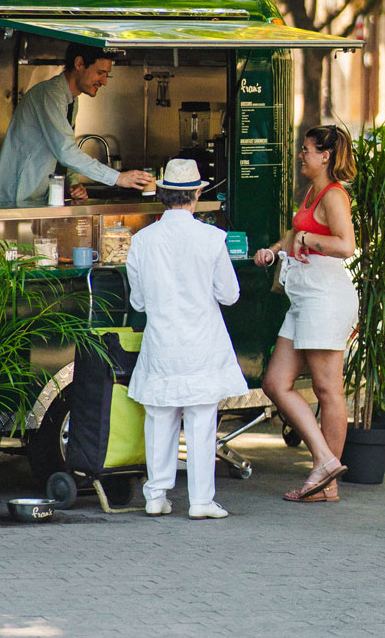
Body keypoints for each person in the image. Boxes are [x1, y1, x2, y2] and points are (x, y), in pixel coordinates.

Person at [125, 157, 246, 520]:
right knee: (201, 423)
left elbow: (138, 301)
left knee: (158, 419)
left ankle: (155, 495)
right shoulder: (212, 238)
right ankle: (200, 500)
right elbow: (229, 295)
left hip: (161, 343)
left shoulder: (141, 241)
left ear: (162, 195)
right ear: (196, 195)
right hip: (201, 344)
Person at [253, 124, 357, 503]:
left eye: (307, 149)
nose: (301, 155)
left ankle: (326, 482)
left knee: (328, 390)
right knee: (275, 382)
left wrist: (308, 239)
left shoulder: (334, 195)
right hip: (304, 299)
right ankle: (326, 461)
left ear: (325, 156)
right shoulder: (312, 191)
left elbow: (346, 245)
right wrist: (273, 249)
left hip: (324, 297)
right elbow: (294, 233)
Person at [0, 44, 156, 207]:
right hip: (15, 200)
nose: (104, 82)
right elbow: (65, 151)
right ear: (79, 64)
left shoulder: (71, 100)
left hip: (35, 199)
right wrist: (118, 178)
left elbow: (66, 148)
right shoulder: (50, 95)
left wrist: (73, 184)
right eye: (100, 73)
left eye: (107, 75)